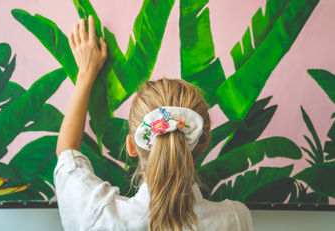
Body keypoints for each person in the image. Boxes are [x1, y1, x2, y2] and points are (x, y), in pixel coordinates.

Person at [54, 15, 253, 231]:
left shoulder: (100, 218)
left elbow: (67, 155)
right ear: (203, 143)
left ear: (131, 145)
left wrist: (86, 72)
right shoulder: (234, 219)